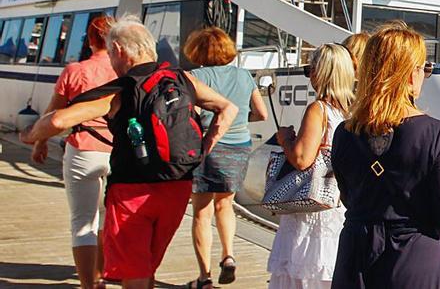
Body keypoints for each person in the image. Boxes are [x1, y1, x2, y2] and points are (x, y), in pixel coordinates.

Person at [21, 17, 238, 289]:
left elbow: (57, 121)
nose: (111, 60)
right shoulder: (181, 79)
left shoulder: (121, 90)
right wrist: (205, 149)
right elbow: (228, 108)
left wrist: (29, 135)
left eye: (111, 53)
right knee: (147, 266)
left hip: (132, 191)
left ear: (119, 50)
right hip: (177, 185)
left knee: (135, 270)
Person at [331, 23, 440, 287]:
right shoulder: (435, 133)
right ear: (410, 74)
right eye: (424, 68)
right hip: (414, 260)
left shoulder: (345, 133)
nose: (425, 76)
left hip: (356, 258)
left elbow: (349, 197)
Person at [29, 15, 116, 289]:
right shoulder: (122, 69)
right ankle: (102, 273)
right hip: (118, 152)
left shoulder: (75, 70)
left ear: (89, 39)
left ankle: (90, 285)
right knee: (105, 215)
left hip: (83, 150)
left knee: (83, 220)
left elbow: (54, 113)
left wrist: (39, 142)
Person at [183, 28, 269, 288]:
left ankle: (205, 277)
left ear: (197, 50)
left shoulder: (195, 76)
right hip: (239, 147)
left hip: (208, 149)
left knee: (201, 212)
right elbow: (261, 113)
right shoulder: (244, 76)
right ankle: (229, 255)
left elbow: (191, 115)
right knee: (225, 204)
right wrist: (242, 119)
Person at [268, 43, 354, 288]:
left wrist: (285, 139)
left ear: (321, 72)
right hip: (336, 205)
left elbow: (302, 158)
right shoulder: (350, 112)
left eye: (310, 69)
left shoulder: (319, 109)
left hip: (310, 209)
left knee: (302, 273)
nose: (310, 75)